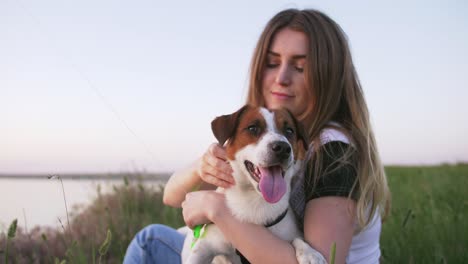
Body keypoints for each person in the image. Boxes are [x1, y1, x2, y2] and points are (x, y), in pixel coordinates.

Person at [123, 8, 390, 264]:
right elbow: (172, 197)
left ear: (327, 75)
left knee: (151, 244)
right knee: (151, 239)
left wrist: (217, 210)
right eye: (272, 63)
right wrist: (203, 166)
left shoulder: (333, 151)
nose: (281, 77)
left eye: (300, 67)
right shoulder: (262, 140)